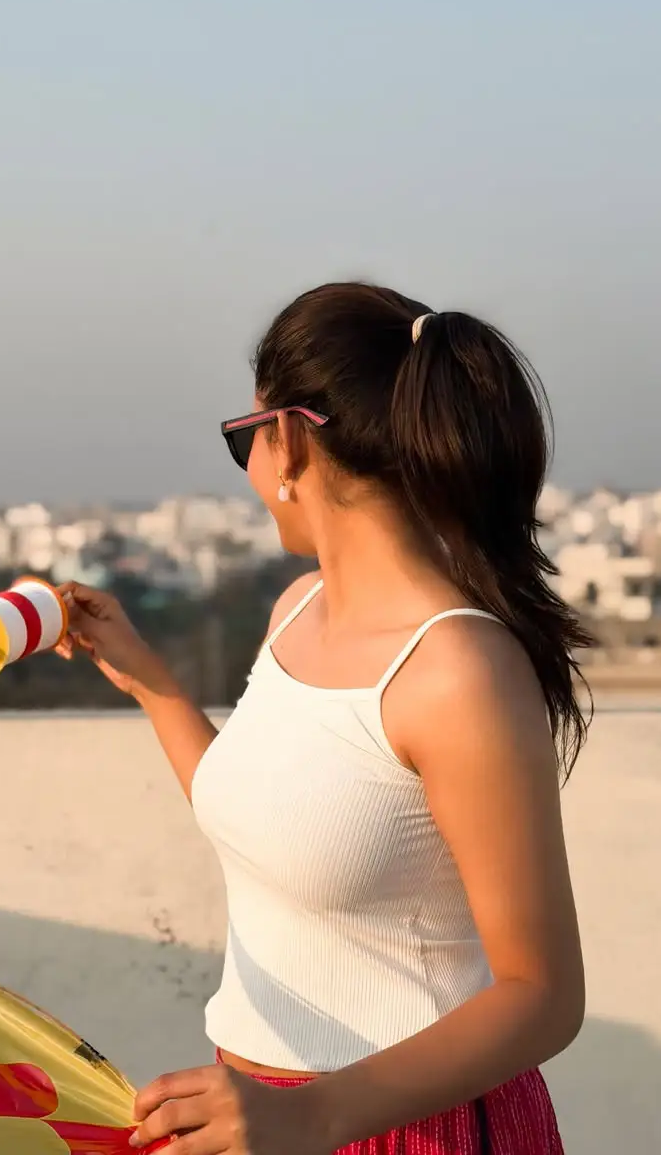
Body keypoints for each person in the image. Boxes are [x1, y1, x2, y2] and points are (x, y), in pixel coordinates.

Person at [58, 281, 590, 1155]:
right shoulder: (298, 611)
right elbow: (277, 822)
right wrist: (152, 684)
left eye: (247, 439)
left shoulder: (456, 671)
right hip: (259, 1116)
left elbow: (543, 994)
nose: (252, 474)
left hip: (409, 1129)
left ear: (293, 444)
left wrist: (307, 1116)